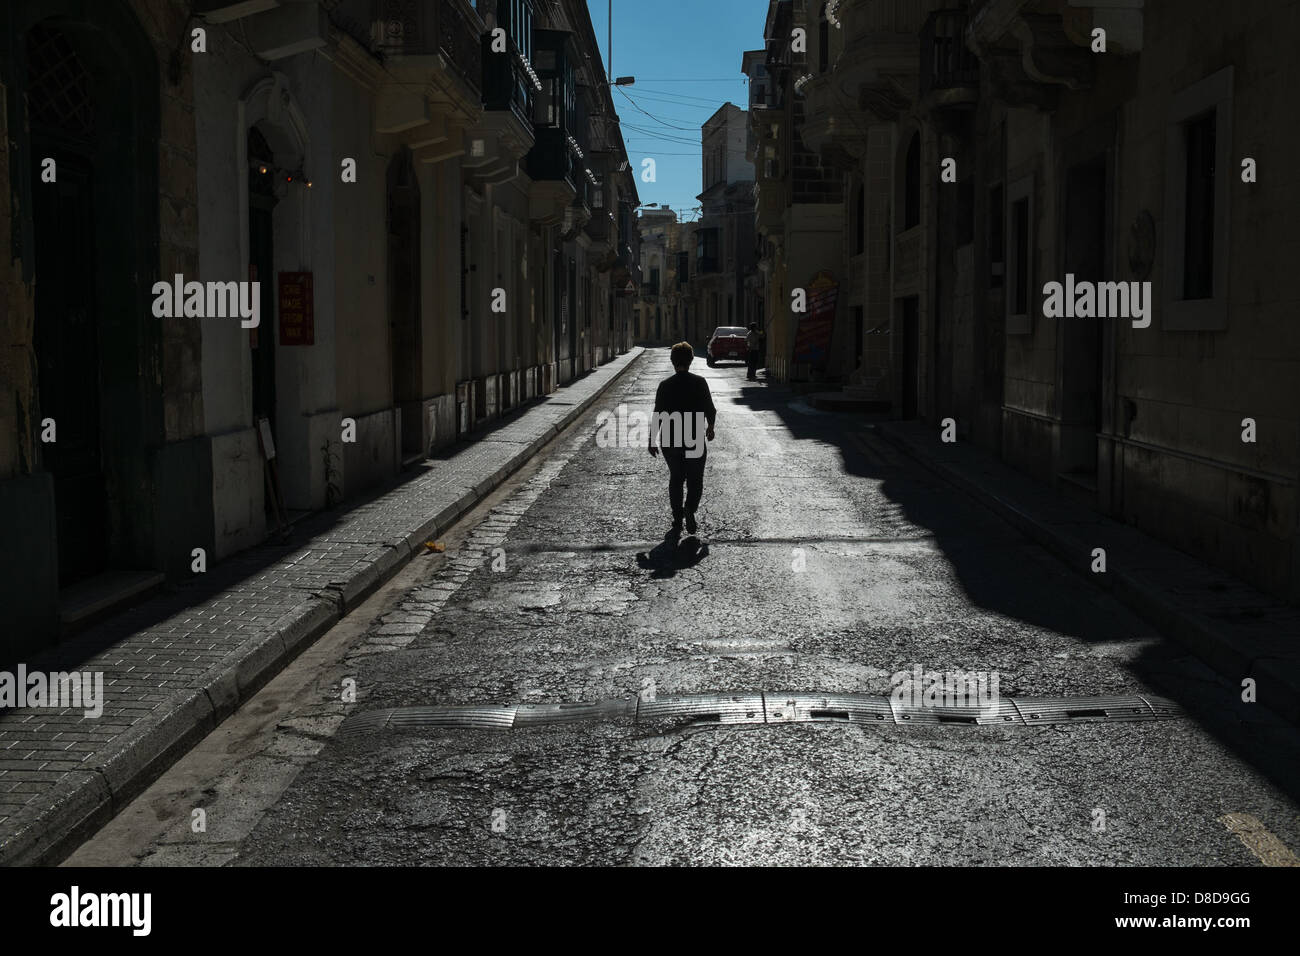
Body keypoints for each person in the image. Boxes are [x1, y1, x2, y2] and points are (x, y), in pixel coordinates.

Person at [648, 342, 716, 536]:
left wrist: (652, 439)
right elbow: (709, 408)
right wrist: (710, 427)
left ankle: (678, 517)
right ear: (692, 360)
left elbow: (658, 414)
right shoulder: (700, 382)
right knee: (695, 480)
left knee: (676, 478)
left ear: (672, 361)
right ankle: (690, 509)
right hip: (693, 438)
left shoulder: (665, 385)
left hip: (670, 439)